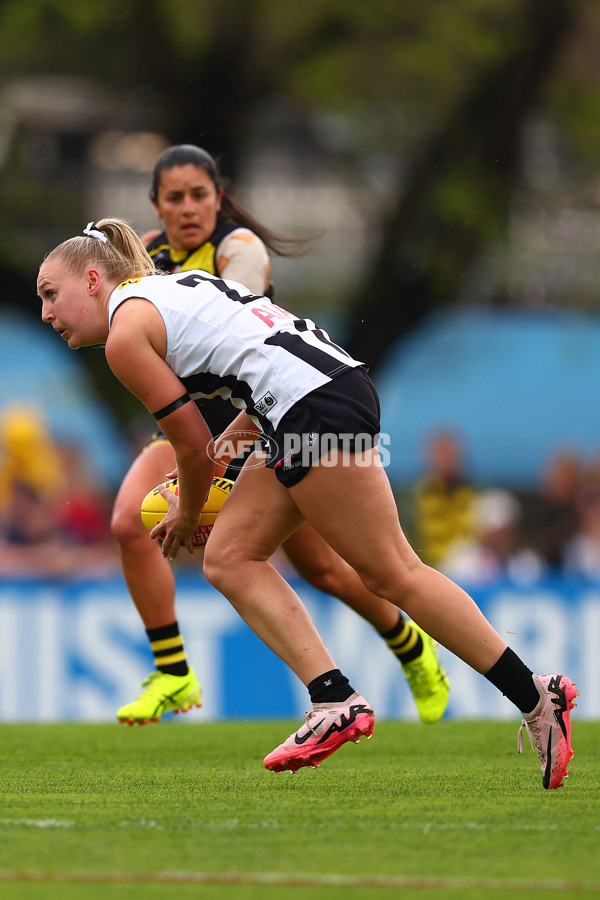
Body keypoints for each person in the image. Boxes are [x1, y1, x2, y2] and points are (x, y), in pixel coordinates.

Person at [37, 218, 578, 788]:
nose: (47, 313)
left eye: (52, 293)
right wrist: (226, 454)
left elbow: (192, 449)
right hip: (315, 395)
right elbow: (257, 371)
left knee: (393, 573)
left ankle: (536, 695)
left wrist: (188, 511)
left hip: (309, 407)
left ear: (94, 279)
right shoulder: (166, 291)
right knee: (231, 557)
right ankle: (333, 699)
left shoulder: (125, 336)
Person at [110, 144, 449, 727]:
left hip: (258, 421)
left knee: (325, 569)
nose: (189, 207)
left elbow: (236, 333)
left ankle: (409, 645)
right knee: (125, 523)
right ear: (155, 205)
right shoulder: (148, 258)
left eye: (200, 194)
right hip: (189, 424)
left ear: (220, 197)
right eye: (175, 197)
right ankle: (173, 673)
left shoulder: (240, 251)